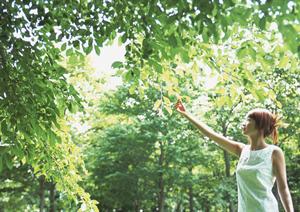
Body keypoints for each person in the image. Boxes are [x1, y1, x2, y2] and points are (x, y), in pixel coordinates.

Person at [174, 98, 294, 212]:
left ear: (260, 125)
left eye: (249, 120)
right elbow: (211, 135)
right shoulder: (242, 150)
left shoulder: (274, 152)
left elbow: (283, 188)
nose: (244, 123)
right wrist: (186, 114)